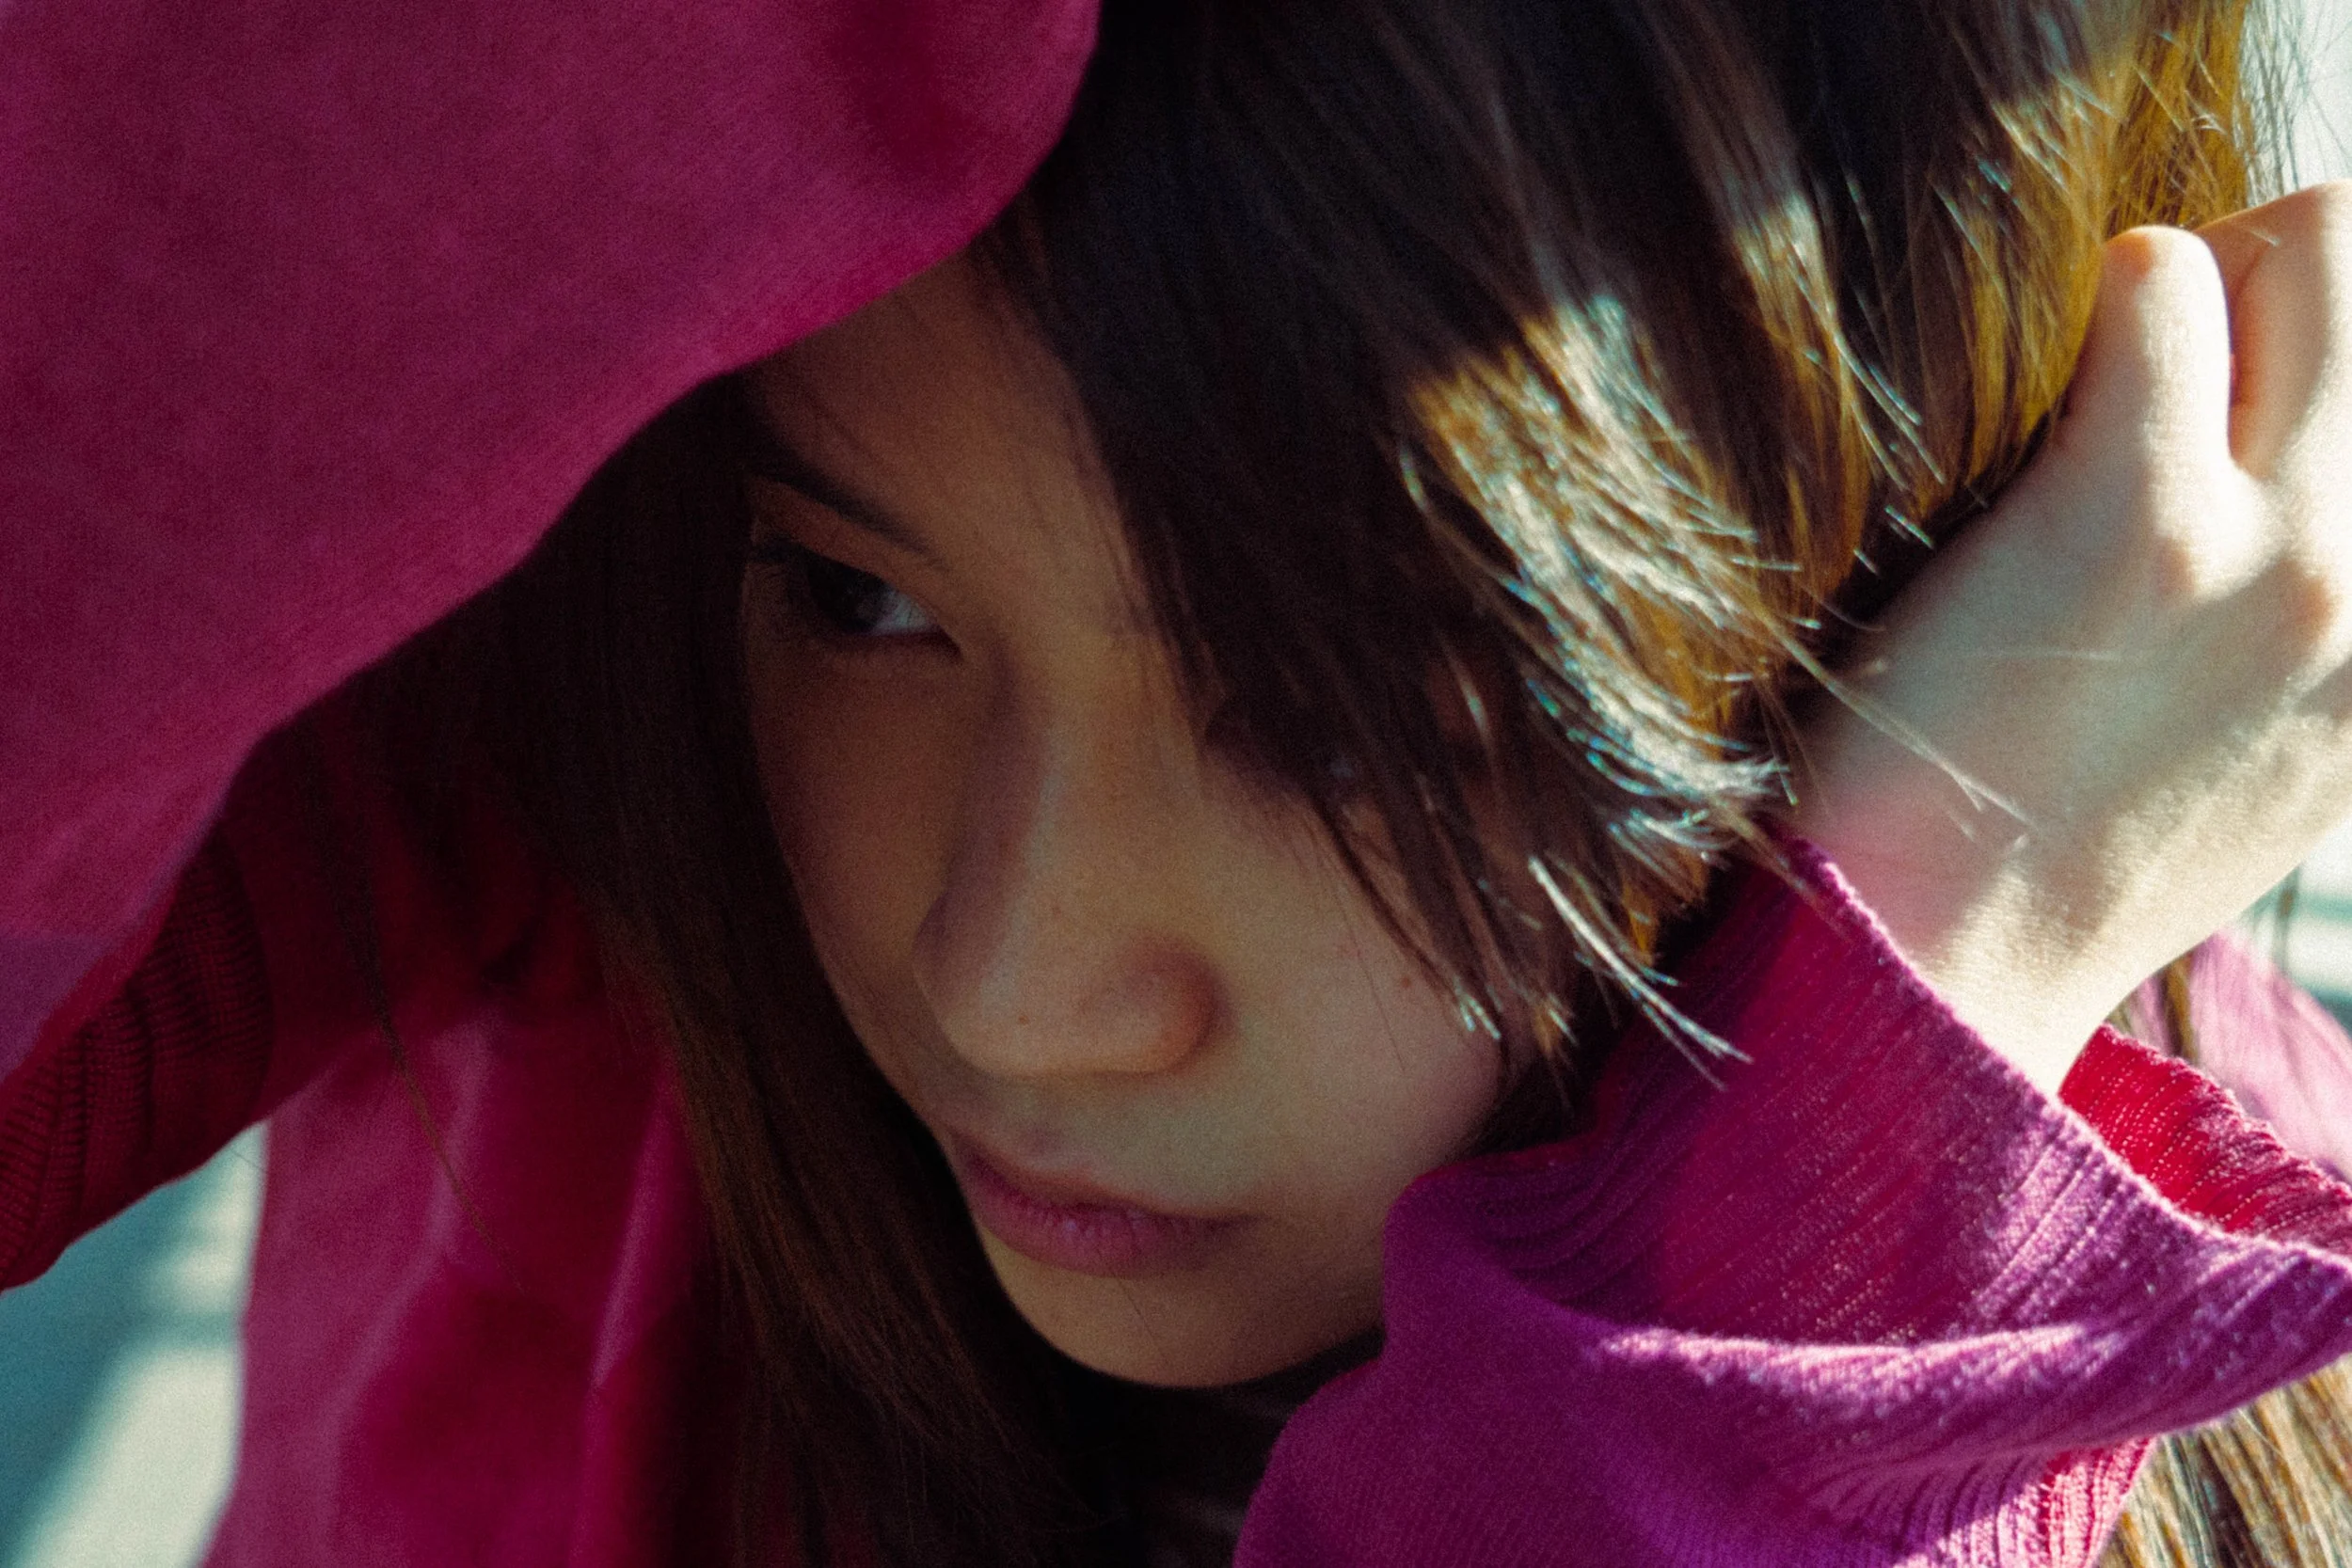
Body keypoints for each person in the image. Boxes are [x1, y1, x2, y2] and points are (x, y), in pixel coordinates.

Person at [5, 1, 2352, 1566]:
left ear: (1939, 572)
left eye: (1349, 707)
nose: (1012, 985)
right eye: (858, 597)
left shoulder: (2243, 1351)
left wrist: (1901, 1069)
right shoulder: (615, 787)